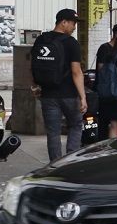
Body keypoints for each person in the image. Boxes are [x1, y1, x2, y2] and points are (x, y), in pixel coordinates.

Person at [31, 8, 86, 161]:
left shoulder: (41, 40)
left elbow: (34, 65)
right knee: (75, 125)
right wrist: (83, 97)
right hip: (69, 95)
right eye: (73, 23)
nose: (75, 27)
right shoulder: (71, 43)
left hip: (48, 95)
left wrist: (35, 86)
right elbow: (76, 72)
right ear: (63, 22)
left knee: (53, 133)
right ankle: (70, 162)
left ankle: (55, 165)